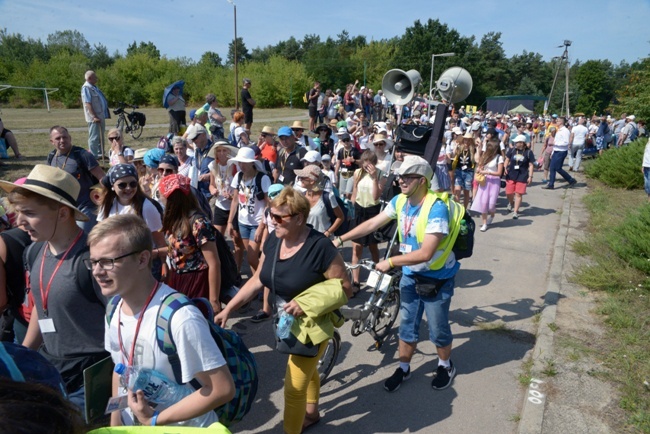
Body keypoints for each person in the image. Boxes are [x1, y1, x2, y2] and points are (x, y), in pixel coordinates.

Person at [216, 187, 352, 434]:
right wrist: (229, 309)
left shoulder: (320, 247)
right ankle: (312, 413)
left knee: (293, 389)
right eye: (270, 214)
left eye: (279, 217)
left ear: (299, 218)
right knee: (308, 373)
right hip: (286, 321)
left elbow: (345, 288)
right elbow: (259, 278)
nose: (272, 221)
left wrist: (306, 302)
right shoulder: (275, 241)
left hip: (313, 324)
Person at [89, 214, 235, 427]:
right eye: (93, 262)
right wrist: (116, 421)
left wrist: (154, 420)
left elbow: (221, 389)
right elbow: (119, 369)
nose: (97, 271)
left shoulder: (180, 317)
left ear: (142, 259)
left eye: (107, 262)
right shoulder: (113, 308)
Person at [333, 156, 459, 393]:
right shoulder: (401, 200)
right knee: (407, 326)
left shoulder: (436, 208)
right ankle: (403, 368)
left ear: (422, 181)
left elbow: (426, 253)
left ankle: (445, 365)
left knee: (438, 328)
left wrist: (389, 261)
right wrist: (340, 238)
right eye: (399, 175)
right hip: (411, 274)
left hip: (436, 277)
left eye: (406, 176)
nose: (400, 180)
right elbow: (372, 224)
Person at [0, 165, 108, 411]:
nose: (19, 221)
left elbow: (122, 318)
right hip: (51, 367)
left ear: (62, 213)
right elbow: (41, 304)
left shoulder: (92, 260)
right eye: (17, 212)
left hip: (91, 375)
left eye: (29, 212)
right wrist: (23, 354)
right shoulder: (35, 250)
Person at [158, 174, 223, 312]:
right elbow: (180, 249)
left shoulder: (199, 223)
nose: (160, 198)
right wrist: (155, 253)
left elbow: (214, 263)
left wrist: (214, 300)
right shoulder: (176, 220)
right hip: (178, 279)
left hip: (197, 282)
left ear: (170, 199)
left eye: (161, 194)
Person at [96, 164, 167, 277]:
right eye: (122, 185)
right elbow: (100, 236)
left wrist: (164, 265)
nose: (128, 188)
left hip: (143, 265)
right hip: (117, 264)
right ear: (113, 186)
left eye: (133, 184)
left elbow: (160, 241)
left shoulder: (147, 207)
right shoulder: (107, 206)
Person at [47, 126, 105, 233]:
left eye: (65, 137)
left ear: (70, 138)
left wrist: (109, 197)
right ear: (52, 141)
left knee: (83, 238)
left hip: (85, 207)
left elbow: (102, 177)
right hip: (64, 207)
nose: (62, 140)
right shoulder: (51, 157)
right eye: (58, 138)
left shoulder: (82, 154)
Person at [227, 147, 271, 275]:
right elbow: (235, 200)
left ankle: (265, 279)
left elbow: (268, 204)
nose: (242, 165)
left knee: (252, 257)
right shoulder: (238, 176)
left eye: (245, 162)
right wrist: (230, 222)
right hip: (243, 222)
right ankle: (258, 286)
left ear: (252, 162)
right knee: (252, 259)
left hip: (257, 222)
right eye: (240, 162)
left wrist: (261, 227)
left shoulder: (263, 178)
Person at [349, 150, 383, 291]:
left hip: (372, 211)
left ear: (374, 164)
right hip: (359, 209)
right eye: (364, 164)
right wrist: (353, 199)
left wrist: (374, 177)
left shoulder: (380, 174)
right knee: (356, 247)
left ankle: (377, 276)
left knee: (373, 246)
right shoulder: (357, 172)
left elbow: (376, 197)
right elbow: (355, 189)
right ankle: (355, 282)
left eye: (369, 164)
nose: (367, 167)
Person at [295, 165, 344, 236]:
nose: (300, 179)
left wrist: (328, 232)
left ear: (312, 181)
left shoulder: (328, 197)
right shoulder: (301, 197)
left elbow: (340, 217)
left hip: (322, 240)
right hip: (305, 239)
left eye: (303, 177)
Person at [470, 140, 504, 232]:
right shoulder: (485, 156)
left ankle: (492, 214)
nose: (488, 149)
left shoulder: (499, 158)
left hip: (494, 182)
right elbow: (478, 164)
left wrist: (487, 172)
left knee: (491, 205)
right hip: (484, 181)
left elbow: (499, 173)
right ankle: (484, 223)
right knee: (484, 203)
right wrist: (479, 169)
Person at [208, 140, 239, 235]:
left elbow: (240, 187)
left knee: (236, 239)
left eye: (224, 150)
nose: (221, 153)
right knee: (217, 236)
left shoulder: (235, 165)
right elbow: (211, 184)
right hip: (220, 205)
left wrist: (232, 196)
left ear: (229, 151)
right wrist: (213, 190)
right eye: (219, 151)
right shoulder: (213, 165)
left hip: (234, 206)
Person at [504, 134, 535, 219]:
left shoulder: (528, 152)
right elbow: (507, 159)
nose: (515, 143)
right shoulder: (512, 150)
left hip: (522, 175)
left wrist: (530, 176)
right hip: (511, 174)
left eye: (517, 142)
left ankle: (515, 211)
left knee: (518, 194)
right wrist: (505, 167)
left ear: (522, 143)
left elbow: (531, 165)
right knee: (508, 192)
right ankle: (511, 203)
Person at [542, 116, 577, 190]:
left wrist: (555, 143)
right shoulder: (559, 130)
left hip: (561, 152)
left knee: (558, 168)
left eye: (557, 121)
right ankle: (551, 184)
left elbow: (566, 142)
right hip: (556, 151)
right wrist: (552, 152)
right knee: (552, 168)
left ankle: (571, 180)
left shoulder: (565, 131)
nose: (556, 122)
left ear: (561, 122)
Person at [81, 70, 110, 158]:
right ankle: (93, 156)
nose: (96, 79)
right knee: (94, 137)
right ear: (89, 78)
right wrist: (94, 116)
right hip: (94, 117)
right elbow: (88, 103)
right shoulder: (86, 88)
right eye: (95, 77)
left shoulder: (93, 87)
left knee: (100, 136)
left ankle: (100, 154)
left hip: (100, 115)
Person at [452, 132, 476, 209]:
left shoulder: (473, 149)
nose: (466, 142)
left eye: (468, 140)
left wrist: (479, 149)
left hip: (469, 172)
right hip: (459, 170)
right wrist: (455, 147)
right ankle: (458, 208)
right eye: (465, 140)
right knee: (457, 190)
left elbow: (477, 160)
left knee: (466, 192)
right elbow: (452, 156)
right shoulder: (459, 148)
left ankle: (464, 209)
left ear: (471, 141)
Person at [335, 130, 361, 199]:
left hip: (352, 173)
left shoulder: (355, 150)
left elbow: (361, 161)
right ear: (342, 142)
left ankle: (350, 206)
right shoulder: (340, 151)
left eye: (347, 140)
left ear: (350, 141)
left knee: (348, 193)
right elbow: (338, 162)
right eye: (344, 140)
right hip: (343, 173)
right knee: (342, 193)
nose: (346, 142)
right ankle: (344, 208)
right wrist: (336, 174)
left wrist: (354, 160)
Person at [643, 137, 650, 201]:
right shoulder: (648, 143)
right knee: (646, 182)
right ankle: (648, 195)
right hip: (646, 164)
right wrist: (643, 165)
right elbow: (645, 154)